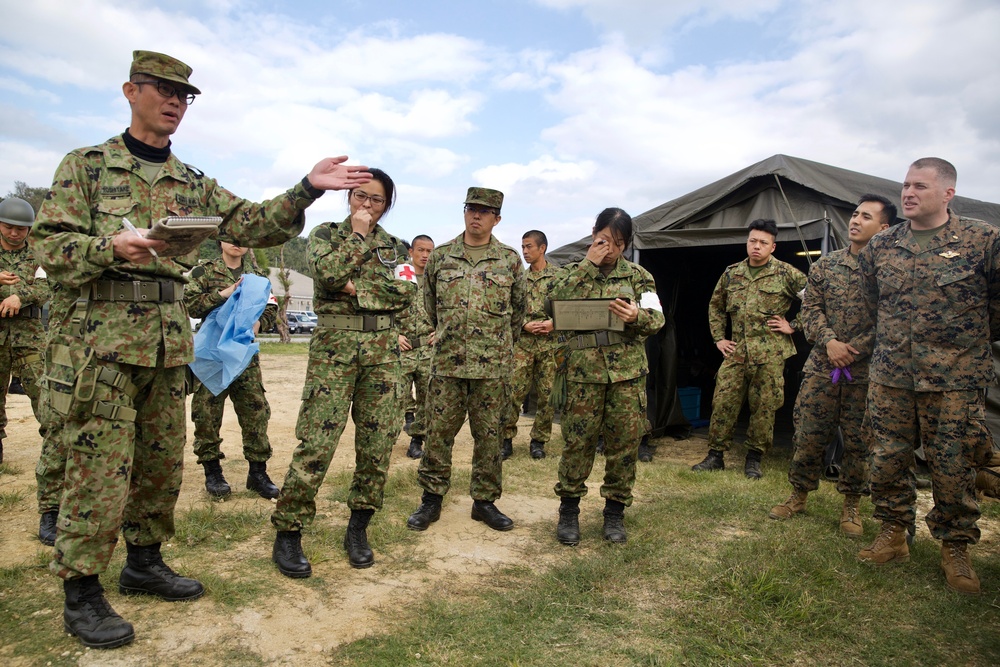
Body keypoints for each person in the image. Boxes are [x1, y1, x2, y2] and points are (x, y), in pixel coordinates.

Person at [31, 49, 372, 650]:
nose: (173, 102)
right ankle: (81, 591)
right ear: (130, 91)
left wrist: (306, 189)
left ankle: (144, 561)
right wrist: (110, 247)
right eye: (162, 90)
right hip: (100, 349)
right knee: (98, 472)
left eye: (183, 95)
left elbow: (253, 222)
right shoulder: (86, 166)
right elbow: (49, 248)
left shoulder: (192, 183)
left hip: (166, 345)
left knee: (162, 464)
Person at [856, 158, 998, 595]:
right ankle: (894, 533)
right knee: (887, 456)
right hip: (892, 374)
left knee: (952, 463)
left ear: (947, 193)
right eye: (905, 185)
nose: (909, 193)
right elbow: (871, 302)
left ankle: (955, 547)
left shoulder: (983, 240)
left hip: (955, 377)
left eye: (920, 185)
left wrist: (963, 347)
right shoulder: (883, 246)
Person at [271, 168, 415, 576]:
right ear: (349, 196)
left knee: (377, 446)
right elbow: (329, 273)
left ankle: (358, 529)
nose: (367, 206)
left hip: (384, 354)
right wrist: (354, 239)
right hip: (334, 350)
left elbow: (405, 292)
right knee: (316, 442)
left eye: (376, 200)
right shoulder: (324, 234)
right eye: (361, 197)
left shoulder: (398, 248)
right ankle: (289, 532)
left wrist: (356, 289)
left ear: (387, 206)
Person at [768, 195, 895, 535]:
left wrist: (854, 348)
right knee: (809, 432)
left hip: (865, 371)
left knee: (859, 440)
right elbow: (810, 310)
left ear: (883, 228)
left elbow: (890, 319)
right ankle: (798, 494)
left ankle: (851, 505)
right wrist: (830, 342)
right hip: (822, 366)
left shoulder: (890, 272)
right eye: (854, 214)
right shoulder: (825, 265)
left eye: (865, 217)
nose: (855, 220)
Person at [406, 187, 525, 533]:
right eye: (471, 208)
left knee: (489, 436)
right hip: (447, 365)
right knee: (439, 434)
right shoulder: (442, 256)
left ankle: (484, 502)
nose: (477, 215)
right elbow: (429, 306)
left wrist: (497, 345)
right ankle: (431, 499)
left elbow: (518, 312)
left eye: (485, 211)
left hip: (492, 369)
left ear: (496, 219)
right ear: (464, 212)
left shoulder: (510, 260)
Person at [550, 208, 664, 545]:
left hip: (627, 376)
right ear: (593, 234)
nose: (609, 249)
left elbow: (657, 320)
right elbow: (549, 301)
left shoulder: (639, 277)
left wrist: (637, 316)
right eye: (603, 240)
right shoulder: (574, 272)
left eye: (616, 243)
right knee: (577, 444)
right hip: (584, 375)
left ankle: (614, 512)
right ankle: (569, 510)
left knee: (624, 447)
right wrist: (587, 264)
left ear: (626, 245)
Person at [692, 219, 807, 479]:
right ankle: (715, 455)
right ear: (747, 242)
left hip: (770, 353)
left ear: (773, 247)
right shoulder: (732, 273)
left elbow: (815, 299)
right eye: (752, 241)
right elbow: (716, 306)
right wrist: (719, 338)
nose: (757, 246)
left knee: (764, 407)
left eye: (763, 243)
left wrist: (794, 325)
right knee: (723, 401)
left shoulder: (787, 273)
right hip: (737, 352)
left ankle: (754, 458)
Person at [185, 241, 279, 499]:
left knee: (255, 411)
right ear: (221, 240)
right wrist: (223, 293)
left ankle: (257, 473)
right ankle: (212, 472)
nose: (237, 242)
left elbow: (271, 306)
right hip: (212, 353)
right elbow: (190, 304)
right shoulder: (203, 272)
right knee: (206, 412)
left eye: (243, 237)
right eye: (231, 236)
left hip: (243, 355)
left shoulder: (257, 277)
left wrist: (261, 322)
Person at [502, 230, 561, 460]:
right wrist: (524, 325)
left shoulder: (559, 277)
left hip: (549, 346)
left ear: (542, 248)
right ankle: (506, 439)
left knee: (547, 396)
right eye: (523, 247)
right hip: (523, 346)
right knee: (514, 393)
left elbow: (568, 307)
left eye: (529, 247)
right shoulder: (519, 279)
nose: (525, 251)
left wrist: (553, 323)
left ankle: (539, 441)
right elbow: (508, 310)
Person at [0, 197, 49, 467]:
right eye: (8, 227)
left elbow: (47, 286)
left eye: (21, 229)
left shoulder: (39, 253)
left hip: (29, 337)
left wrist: (21, 296)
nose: (14, 233)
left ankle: (55, 449)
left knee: (43, 394)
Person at [398, 234, 436, 459]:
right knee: (398, 396)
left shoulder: (436, 282)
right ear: (411, 252)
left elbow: (447, 311)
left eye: (429, 251)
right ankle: (402, 423)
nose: (425, 255)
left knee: (426, 398)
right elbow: (384, 309)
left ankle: (416, 441)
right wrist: (394, 335)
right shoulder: (400, 279)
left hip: (426, 350)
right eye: (420, 250)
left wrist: (439, 331)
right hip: (402, 349)